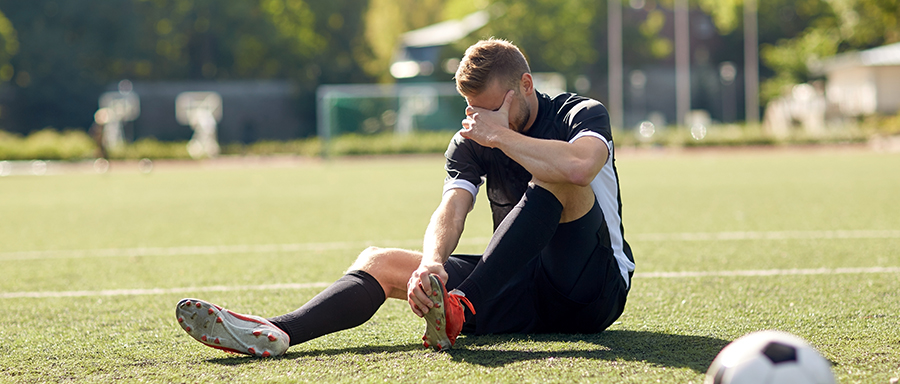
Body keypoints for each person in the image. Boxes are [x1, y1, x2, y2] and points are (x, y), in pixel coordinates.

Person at [175, 38, 635, 357]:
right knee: (380, 259)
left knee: (557, 178)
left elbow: (580, 166)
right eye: (471, 110)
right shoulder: (472, 136)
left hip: (591, 292)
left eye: (491, 109)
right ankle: (277, 331)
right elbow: (452, 209)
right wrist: (432, 264)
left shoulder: (579, 112)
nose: (479, 120)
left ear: (527, 86)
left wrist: (500, 136)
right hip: (517, 288)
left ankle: (461, 305)